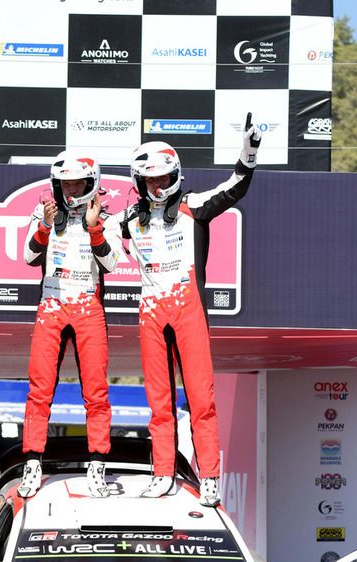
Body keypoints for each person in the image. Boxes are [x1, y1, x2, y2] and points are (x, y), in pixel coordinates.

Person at [116, 116, 262, 504]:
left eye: (163, 178)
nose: (157, 186)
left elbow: (234, 187)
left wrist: (249, 151)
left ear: (176, 175)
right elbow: (95, 236)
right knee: (158, 402)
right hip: (151, 314)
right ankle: (162, 473)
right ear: (138, 182)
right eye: (149, 180)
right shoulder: (129, 219)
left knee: (201, 398)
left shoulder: (193, 205)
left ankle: (209, 476)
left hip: (188, 310)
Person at [19, 151, 120, 499]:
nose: (72, 190)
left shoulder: (105, 217)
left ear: (91, 183)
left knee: (96, 391)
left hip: (88, 307)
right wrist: (45, 227)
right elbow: (29, 257)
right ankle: (33, 463)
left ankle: (97, 464)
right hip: (52, 304)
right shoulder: (44, 212)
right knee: (39, 388)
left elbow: (112, 263)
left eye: (78, 184)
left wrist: (94, 228)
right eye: (66, 184)